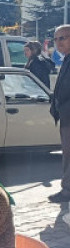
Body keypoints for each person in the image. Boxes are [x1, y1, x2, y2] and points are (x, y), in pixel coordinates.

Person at [49, 24, 70, 203]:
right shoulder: (66, 59)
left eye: (62, 38)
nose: (58, 42)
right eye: (56, 39)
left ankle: (67, 191)